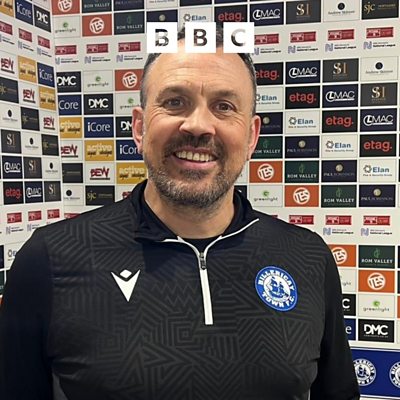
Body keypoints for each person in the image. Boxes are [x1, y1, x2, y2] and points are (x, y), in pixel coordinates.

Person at [0, 27, 360, 400]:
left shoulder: (307, 257)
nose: (198, 126)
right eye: (175, 102)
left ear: (252, 136)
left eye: (224, 106)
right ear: (139, 127)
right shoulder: (52, 258)